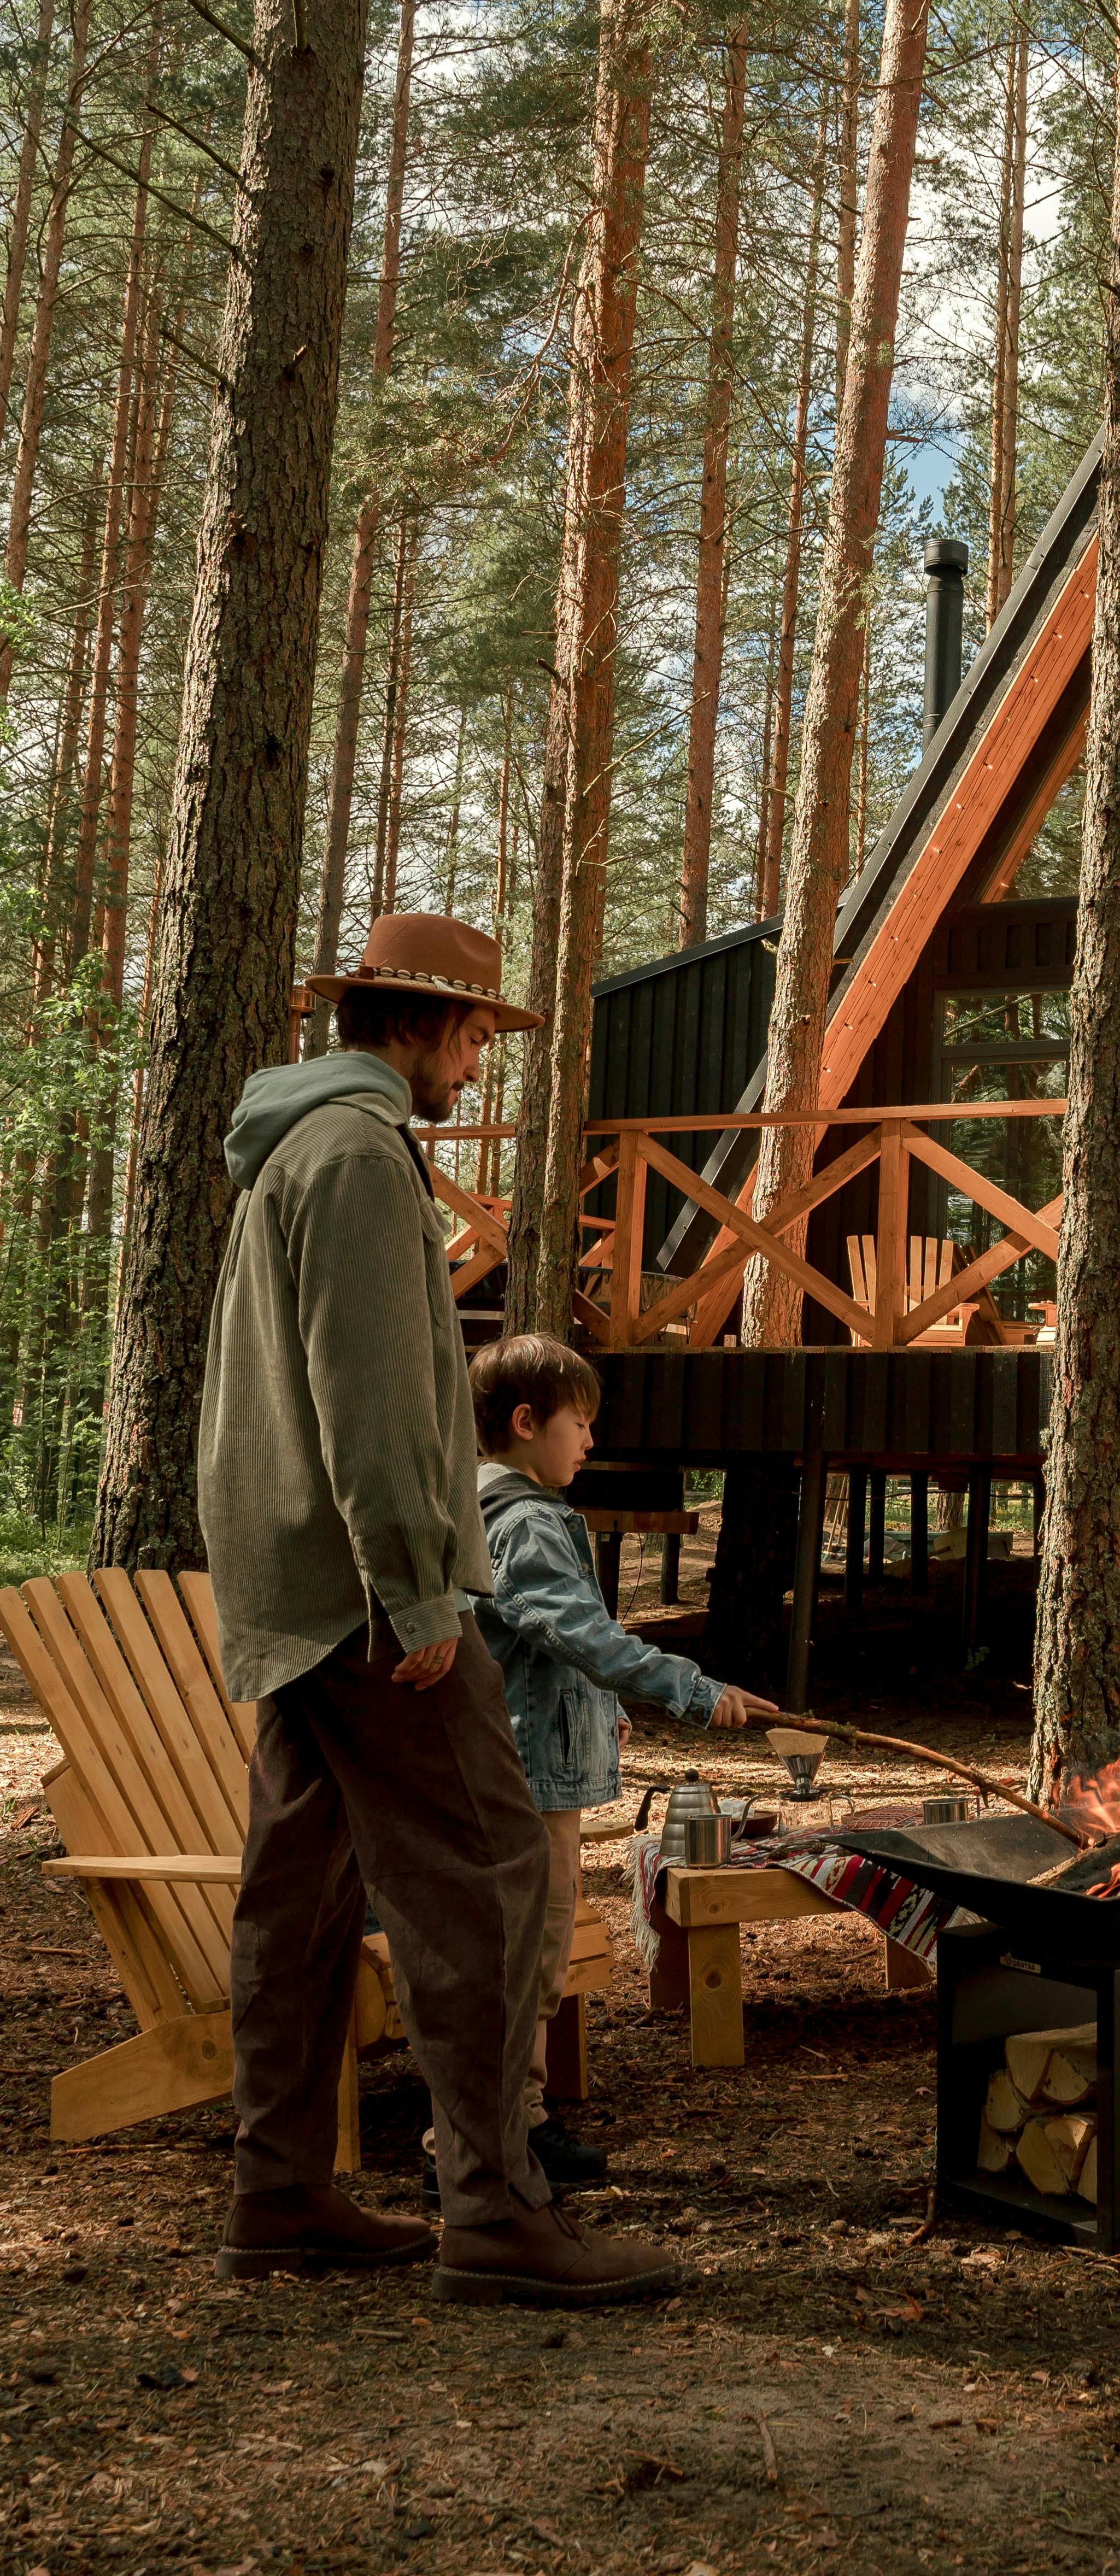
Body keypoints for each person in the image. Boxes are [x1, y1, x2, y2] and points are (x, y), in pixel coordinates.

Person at [197, 910, 677, 2305]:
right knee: (491, 1876)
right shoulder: (352, 1154)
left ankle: (278, 2192)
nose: (479, 1061)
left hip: (299, 1581)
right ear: (418, 1023)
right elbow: (375, 1397)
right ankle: (495, 2211)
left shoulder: (297, 1145)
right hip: (364, 1590)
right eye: (475, 1033)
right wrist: (416, 1587)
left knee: (299, 1895)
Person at [462, 1331, 777, 2196]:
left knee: (539, 1943)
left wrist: (604, 1712)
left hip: (533, 1768)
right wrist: (691, 1688)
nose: (591, 1441)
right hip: (520, 1779)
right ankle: (485, 2139)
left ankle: (514, 2124)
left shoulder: (509, 1513)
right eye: (580, 1424)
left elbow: (541, 1649)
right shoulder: (523, 1523)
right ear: (527, 1423)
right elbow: (580, 1634)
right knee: (525, 1950)